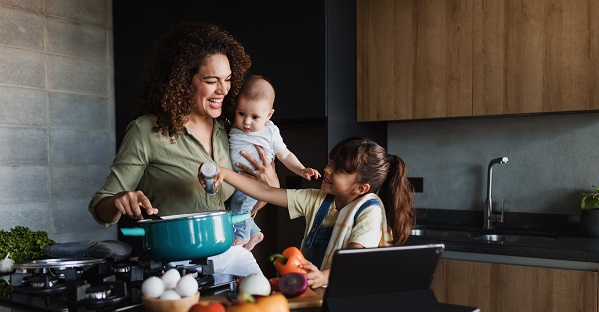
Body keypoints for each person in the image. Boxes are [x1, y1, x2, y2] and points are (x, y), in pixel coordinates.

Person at [88, 21, 279, 277]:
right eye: (212, 81)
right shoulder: (147, 131)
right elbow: (101, 208)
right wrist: (119, 200)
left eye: (228, 79)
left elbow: (256, 196)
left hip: (229, 257)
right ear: (183, 80)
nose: (223, 90)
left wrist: (270, 185)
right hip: (175, 268)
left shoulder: (232, 130)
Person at [199, 137, 416, 288]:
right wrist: (225, 173)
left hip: (345, 296)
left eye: (338, 169)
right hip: (314, 291)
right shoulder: (317, 200)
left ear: (360, 189)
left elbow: (355, 262)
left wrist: (323, 277)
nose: (327, 169)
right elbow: (265, 192)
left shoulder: (369, 211)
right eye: (331, 162)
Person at [228, 75, 321, 247]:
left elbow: (284, 155)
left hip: (253, 182)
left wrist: (301, 169)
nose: (246, 122)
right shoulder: (233, 124)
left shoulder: (270, 132)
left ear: (269, 115)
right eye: (241, 113)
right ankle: (254, 233)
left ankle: (241, 236)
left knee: (238, 207)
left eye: (255, 117)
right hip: (238, 179)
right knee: (240, 208)